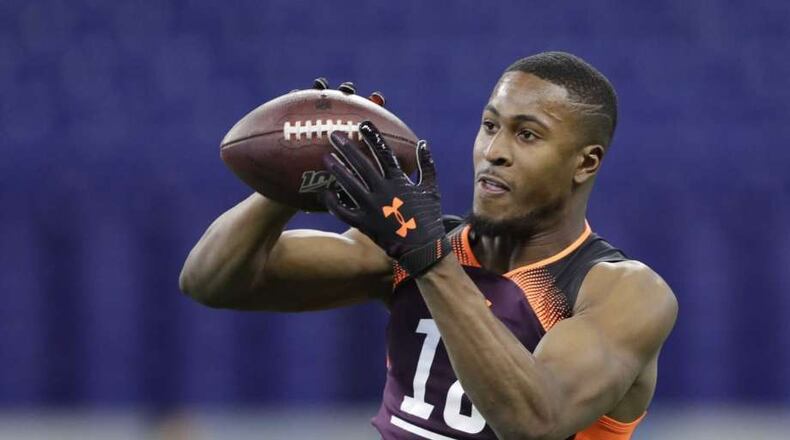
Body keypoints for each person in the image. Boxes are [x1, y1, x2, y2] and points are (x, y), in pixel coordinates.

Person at [180, 51, 677, 440]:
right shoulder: (412, 248)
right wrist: (292, 178)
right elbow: (211, 281)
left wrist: (428, 260)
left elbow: (535, 421)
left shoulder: (625, 293)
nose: (494, 152)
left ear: (585, 163)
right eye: (489, 126)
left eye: (527, 135)